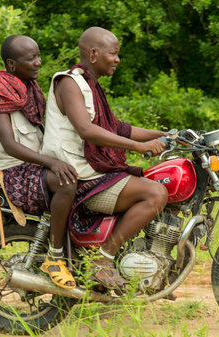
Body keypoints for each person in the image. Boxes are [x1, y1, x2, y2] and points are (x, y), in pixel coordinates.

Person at [41, 27, 168, 289]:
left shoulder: (91, 86)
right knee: (155, 194)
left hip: (92, 168)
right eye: (114, 53)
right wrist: (137, 146)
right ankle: (103, 260)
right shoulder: (69, 83)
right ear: (94, 53)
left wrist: (168, 134)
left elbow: (117, 127)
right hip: (80, 171)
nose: (118, 59)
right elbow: (86, 129)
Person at [0, 35, 78, 289]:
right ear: (12, 65)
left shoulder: (28, 90)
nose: (38, 62)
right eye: (30, 58)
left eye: (38, 55)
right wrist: (53, 164)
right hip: (12, 171)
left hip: (31, 167)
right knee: (67, 182)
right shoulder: (2, 93)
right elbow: (11, 145)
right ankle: (55, 257)